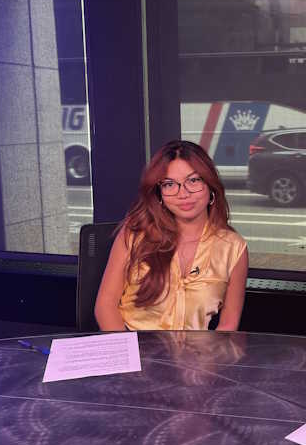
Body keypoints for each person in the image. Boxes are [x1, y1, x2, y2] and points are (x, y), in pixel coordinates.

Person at [95, 140, 249, 331]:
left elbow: (228, 325)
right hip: (134, 350)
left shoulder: (233, 247)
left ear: (210, 186)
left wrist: (208, 360)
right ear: (159, 193)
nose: (183, 194)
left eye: (193, 181)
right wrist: (127, 357)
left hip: (195, 357)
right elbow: (105, 306)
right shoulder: (134, 234)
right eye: (169, 184)